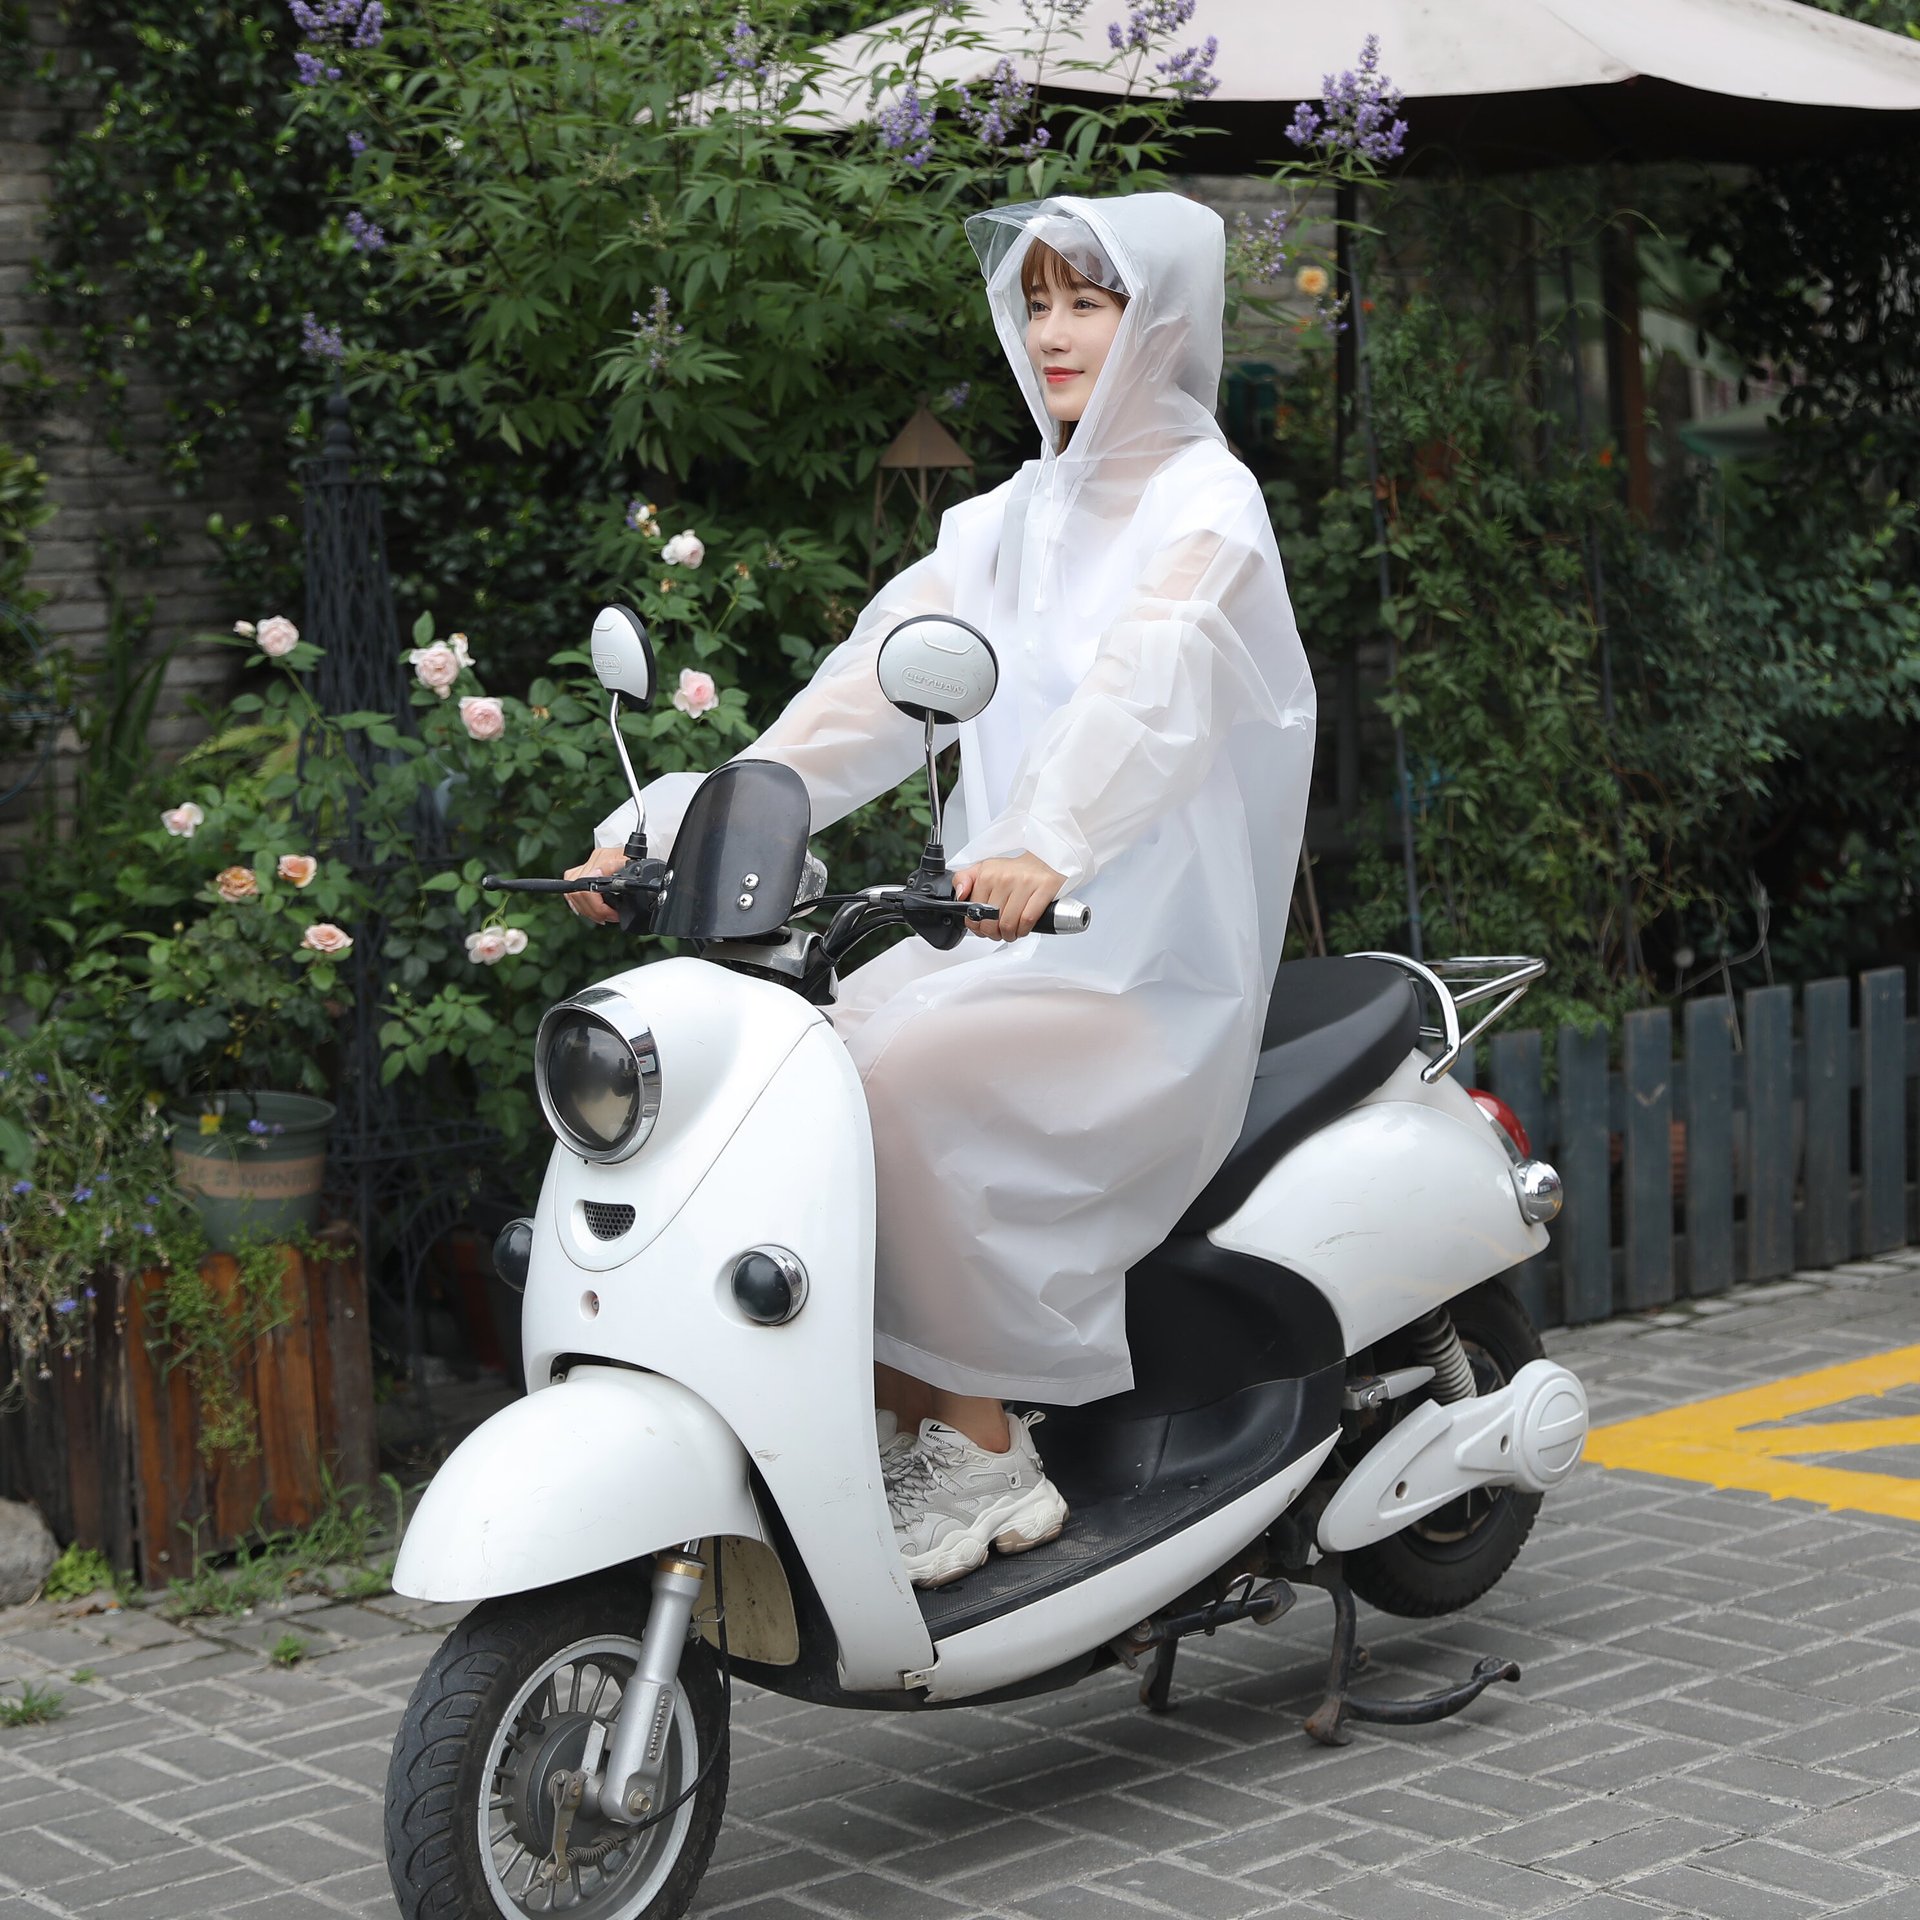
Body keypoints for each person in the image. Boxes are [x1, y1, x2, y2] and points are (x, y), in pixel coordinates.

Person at [565, 193, 1314, 1590]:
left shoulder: (1208, 506)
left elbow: (1153, 685)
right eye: (1034, 304)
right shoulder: (1003, 522)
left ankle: (983, 1455)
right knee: (797, 1067)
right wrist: (668, 824)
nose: (1053, 334)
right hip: (992, 935)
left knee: (890, 1078)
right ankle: (894, 1422)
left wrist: (1051, 842)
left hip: (1133, 956)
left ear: (1160, 318)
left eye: (1086, 302)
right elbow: (859, 698)